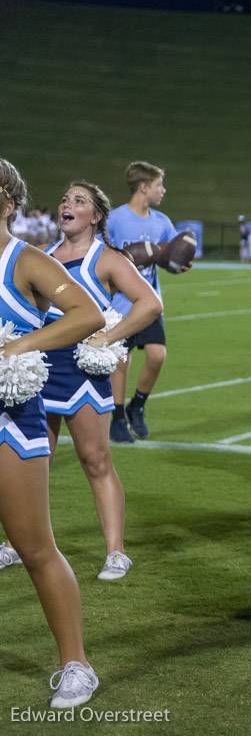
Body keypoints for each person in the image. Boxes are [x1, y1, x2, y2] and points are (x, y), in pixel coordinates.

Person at [0, 157, 108, 707]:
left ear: (7, 200)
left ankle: (76, 664)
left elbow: (88, 313)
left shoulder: (26, 261)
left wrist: (17, 346)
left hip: (9, 420)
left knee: (34, 545)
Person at [21, 181, 161, 582]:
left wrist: (108, 337)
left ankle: (116, 552)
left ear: (96, 216)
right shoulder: (41, 256)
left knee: (96, 460)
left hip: (82, 374)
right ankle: (19, 544)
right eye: (65, 198)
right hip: (39, 371)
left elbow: (151, 303)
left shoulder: (107, 259)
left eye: (78, 201)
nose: (67, 204)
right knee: (31, 462)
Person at [106, 161, 188, 443]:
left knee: (157, 355)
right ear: (144, 187)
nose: (162, 190)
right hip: (119, 305)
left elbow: (169, 256)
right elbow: (103, 255)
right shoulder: (115, 219)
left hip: (149, 303)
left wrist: (178, 263)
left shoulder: (161, 221)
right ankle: (117, 417)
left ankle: (136, 406)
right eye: (158, 186)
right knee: (121, 360)